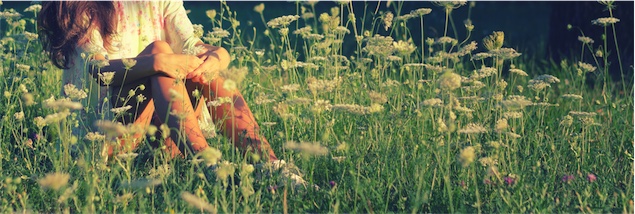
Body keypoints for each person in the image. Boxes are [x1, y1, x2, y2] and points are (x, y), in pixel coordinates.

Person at [37, 1, 309, 188]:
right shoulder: (82, 6)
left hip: (159, 130)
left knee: (204, 66)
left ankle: (271, 164)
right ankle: (208, 164)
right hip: (104, 136)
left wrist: (217, 57)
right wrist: (158, 62)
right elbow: (98, 70)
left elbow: (194, 46)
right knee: (160, 51)